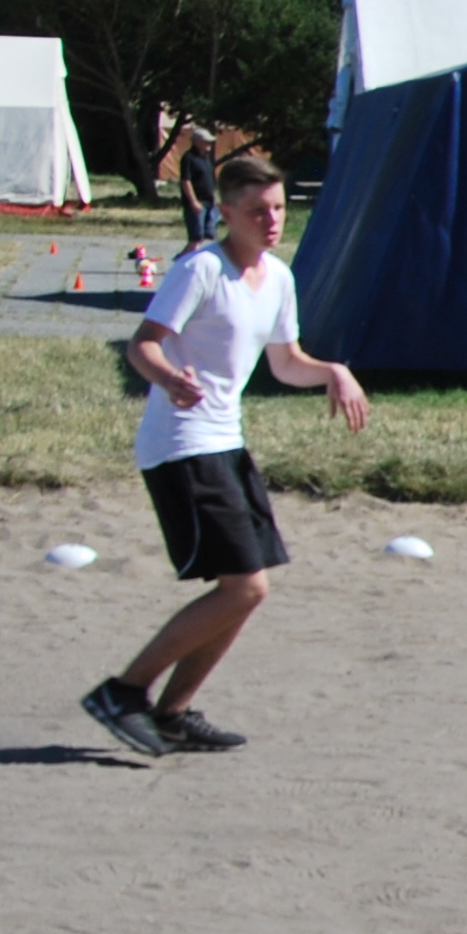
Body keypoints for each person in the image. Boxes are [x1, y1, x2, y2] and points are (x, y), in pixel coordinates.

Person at [79, 158, 371, 756]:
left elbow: (285, 363)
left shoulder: (279, 277)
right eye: (258, 210)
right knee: (245, 588)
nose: (272, 220)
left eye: (279, 208)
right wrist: (169, 379)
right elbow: (143, 345)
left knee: (246, 590)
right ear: (227, 213)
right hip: (182, 445)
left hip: (226, 444)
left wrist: (333, 372)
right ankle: (123, 693)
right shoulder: (202, 269)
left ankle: (172, 713)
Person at [174, 128, 221, 245]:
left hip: (209, 202)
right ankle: (183, 257)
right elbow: (186, 181)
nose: (209, 144)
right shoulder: (189, 158)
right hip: (198, 203)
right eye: (206, 141)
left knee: (209, 237)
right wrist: (193, 201)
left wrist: (214, 196)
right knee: (196, 240)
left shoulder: (205, 158)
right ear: (197, 141)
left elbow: (210, 179)